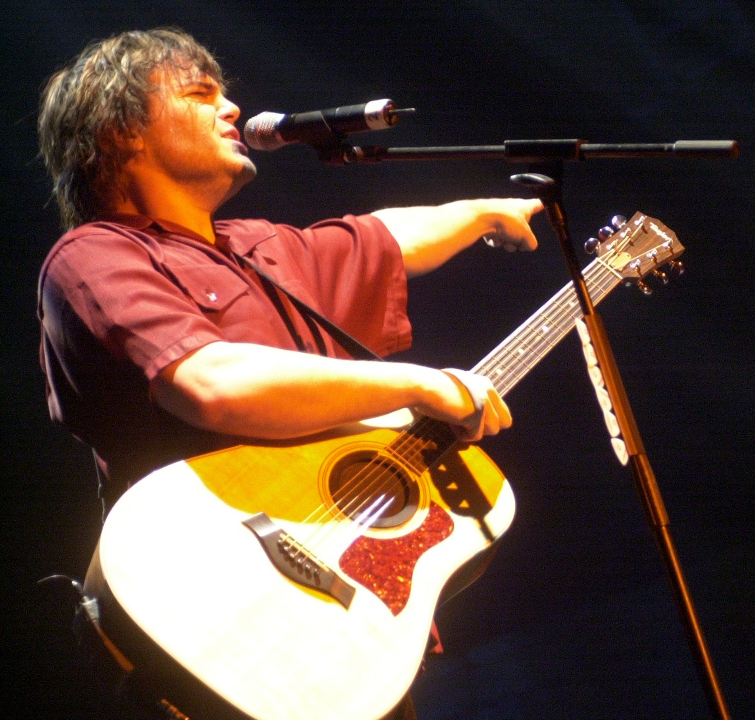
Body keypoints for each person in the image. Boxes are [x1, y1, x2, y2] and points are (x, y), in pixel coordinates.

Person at [36, 27, 542, 718]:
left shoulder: (262, 251)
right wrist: (421, 384)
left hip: (331, 641)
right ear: (125, 130)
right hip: (204, 623)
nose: (232, 110)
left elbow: (386, 233)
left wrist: (486, 211)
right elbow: (211, 383)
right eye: (199, 93)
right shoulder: (94, 255)